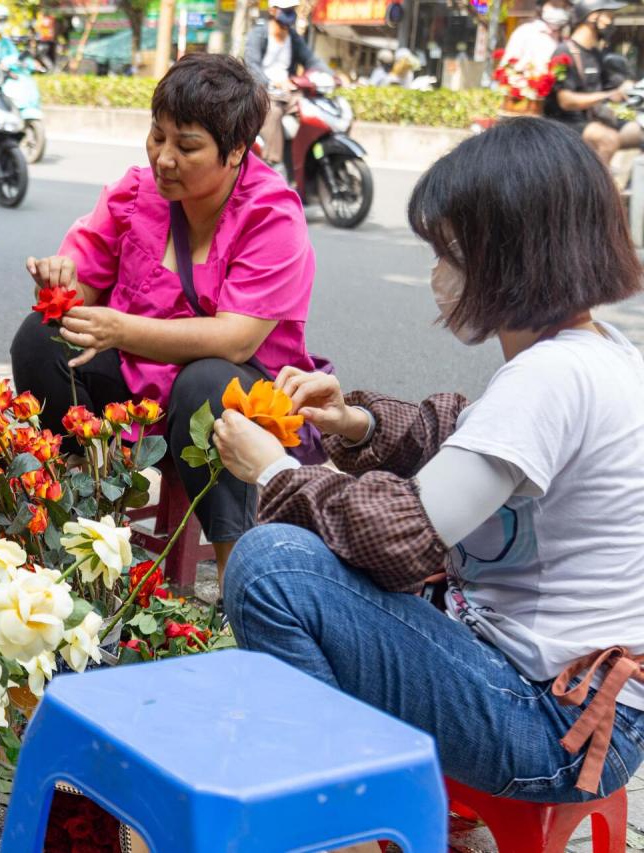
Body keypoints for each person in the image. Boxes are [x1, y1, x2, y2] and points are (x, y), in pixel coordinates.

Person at [215, 119, 644, 821]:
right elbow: (463, 439)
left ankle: (336, 824)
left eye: (447, 254)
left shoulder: (552, 374)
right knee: (295, 564)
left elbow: (400, 539)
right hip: (584, 709)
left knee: (272, 567)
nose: (435, 276)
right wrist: (354, 422)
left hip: (547, 725)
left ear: (507, 259)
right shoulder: (597, 353)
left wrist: (272, 474)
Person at [11, 54, 318, 576]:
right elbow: (82, 287)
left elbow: (236, 341)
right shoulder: (135, 193)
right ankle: (74, 513)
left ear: (236, 151)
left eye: (187, 146)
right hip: (137, 380)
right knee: (41, 338)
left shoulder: (272, 217)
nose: (164, 158)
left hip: (241, 392)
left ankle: (236, 579)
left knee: (207, 384)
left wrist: (120, 328)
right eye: (157, 137)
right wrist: (62, 284)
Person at [545, 0, 640, 166]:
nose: (611, 22)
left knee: (639, 130)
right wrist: (608, 95)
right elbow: (566, 101)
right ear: (593, 17)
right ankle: (598, 189)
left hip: (594, 118)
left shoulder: (596, 54)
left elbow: (612, 86)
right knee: (607, 138)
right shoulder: (564, 52)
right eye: (608, 16)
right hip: (566, 123)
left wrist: (629, 88)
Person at [243, 0, 329, 167]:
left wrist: (331, 76)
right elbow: (251, 65)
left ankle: (305, 159)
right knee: (272, 112)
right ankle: (272, 163)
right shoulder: (258, 34)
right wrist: (271, 82)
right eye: (286, 9)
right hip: (264, 92)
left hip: (289, 93)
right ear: (273, 10)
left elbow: (311, 60)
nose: (290, 13)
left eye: (292, 9)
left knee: (312, 110)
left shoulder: (294, 37)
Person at [502, 0, 571, 68]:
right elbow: (506, 68)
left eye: (564, 6)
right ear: (542, 5)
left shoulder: (568, 41)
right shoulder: (525, 32)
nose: (559, 11)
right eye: (554, 5)